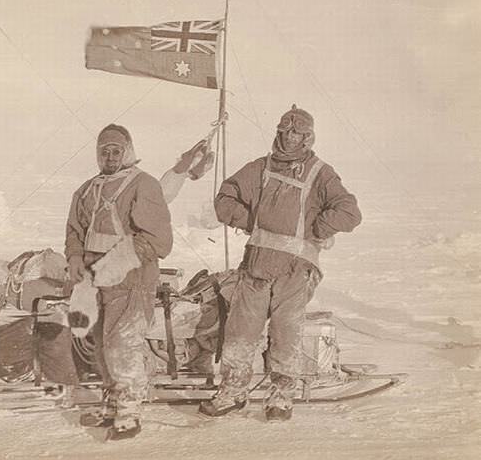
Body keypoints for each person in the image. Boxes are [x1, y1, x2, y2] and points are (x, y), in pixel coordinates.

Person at [199, 105, 362, 422]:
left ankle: (281, 397)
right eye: (284, 130)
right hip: (256, 267)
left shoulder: (320, 173)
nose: (289, 136)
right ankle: (233, 392)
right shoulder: (259, 168)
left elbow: (350, 213)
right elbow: (225, 198)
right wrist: (250, 220)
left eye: (297, 132)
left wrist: (318, 228)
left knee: (285, 334)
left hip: (295, 272)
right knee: (240, 333)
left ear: (308, 137)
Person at [65, 124, 173, 439]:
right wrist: (74, 259)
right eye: (104, 151)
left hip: (131, 279)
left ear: (128, 151)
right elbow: (75, 230)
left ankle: (129, 412)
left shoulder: (144, 185)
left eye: (116, 150)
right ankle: (113, 403)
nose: (110, 157)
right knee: (101, 345)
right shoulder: (86, 189)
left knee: (122, 345)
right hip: (94, 280)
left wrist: (115, 264)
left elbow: (157, 240)